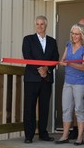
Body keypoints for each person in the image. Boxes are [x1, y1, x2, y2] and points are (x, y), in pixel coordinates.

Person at [22, 15, 59, 143]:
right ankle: (29, 135)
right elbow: (27, 56)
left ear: (46, 25)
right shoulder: (28, 39)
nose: (39, 26)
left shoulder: (52, 41)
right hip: (32, 79)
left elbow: (55, 58)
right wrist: (40, 69)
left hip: (46, 79)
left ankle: (43, 133)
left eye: (42, 24)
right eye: (37, 24)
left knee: (44, 108)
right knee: (29, 107)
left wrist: (47, 70)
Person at [56, 24, 84, 146]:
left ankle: (80, 137)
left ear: (82, 34)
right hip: (68, 81)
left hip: (81, 82)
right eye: (73, 33)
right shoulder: (68, 45)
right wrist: (63, 62)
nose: (74, 36)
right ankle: (65, 135)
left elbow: (83, 67)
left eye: (77, 34)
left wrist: (69, 63)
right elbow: (62, 60)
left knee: (79, 109)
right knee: (66, 109)